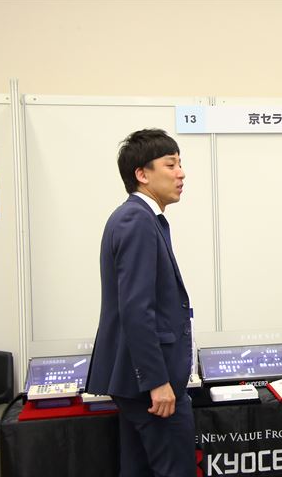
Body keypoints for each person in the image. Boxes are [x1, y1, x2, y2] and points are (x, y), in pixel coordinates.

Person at [86, 128, 195, 476]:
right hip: (151, 386)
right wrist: (156, 382)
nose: (181, 174)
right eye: (171, 165)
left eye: (180, 164)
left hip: (139, 384)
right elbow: (136, 309)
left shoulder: (141, 218)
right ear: (142, 174)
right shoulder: (137, 220)